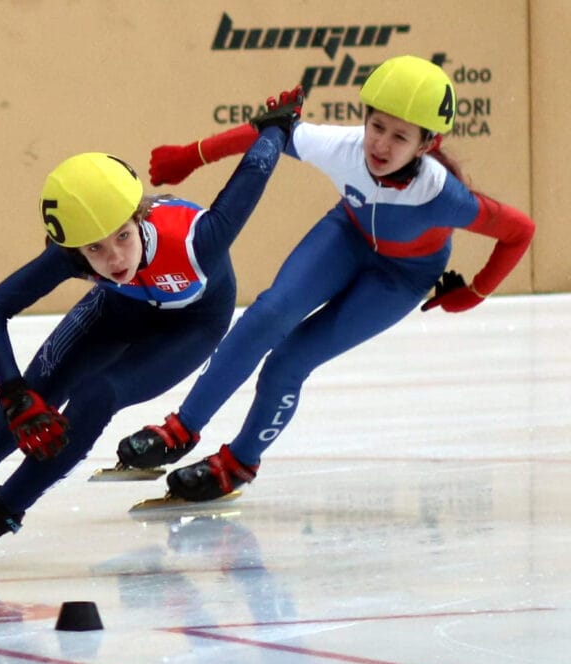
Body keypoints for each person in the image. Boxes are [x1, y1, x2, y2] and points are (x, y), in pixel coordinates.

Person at [0, 86, 303, 569]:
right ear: (74, 247)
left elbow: (255, 170)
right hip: (119, 310)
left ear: (138, 217)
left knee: (98, 394)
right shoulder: (74, 253)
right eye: (94, 249)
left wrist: (277, 126)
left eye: (122, 237)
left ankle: (3, 510)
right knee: (33, 401)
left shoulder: (200, 240)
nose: (114, 259)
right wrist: (14, 395)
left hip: (191, 324)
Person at [117, 55, 535, 503]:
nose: (381, 145)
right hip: (346, 237)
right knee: (266, 316)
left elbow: (519, 231)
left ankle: (239, 462)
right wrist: (190, 156)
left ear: (426, 145)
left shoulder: (442, 195)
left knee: (289, 362)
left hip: (400, 277)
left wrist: (475, 292)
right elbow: (269, 132)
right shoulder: (343, 146)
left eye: (400, 137)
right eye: (377, 127)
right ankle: (182, 427)